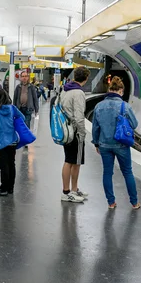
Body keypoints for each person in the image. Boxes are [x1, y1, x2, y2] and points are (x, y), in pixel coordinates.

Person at [92, 77, 141, 210]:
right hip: (121, 144)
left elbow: (95, 128)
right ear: (120, 90)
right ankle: (134, 202)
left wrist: (96, 144)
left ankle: (111, 202)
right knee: (127, 172)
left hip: (104, 145)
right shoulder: (125, 106)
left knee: (107, 173)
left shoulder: (99, 106)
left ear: (109, 90)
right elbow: (134, 124)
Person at [0, 89, 25, 196]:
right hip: (12, 141)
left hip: (0, 143)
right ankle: (10, 188)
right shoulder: (12, 108)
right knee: (11, 164)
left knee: (3, 166)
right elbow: (23, 117)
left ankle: (3, 189)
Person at [60, 66, 90, 203]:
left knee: (69, 160)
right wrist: (83, 133)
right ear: (86, 78)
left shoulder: (65, 90)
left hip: (66, 130)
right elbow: (79, 116)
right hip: (75, 132)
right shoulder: (78, 93)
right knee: (74, 162)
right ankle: (68, 192)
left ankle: (72, 189)